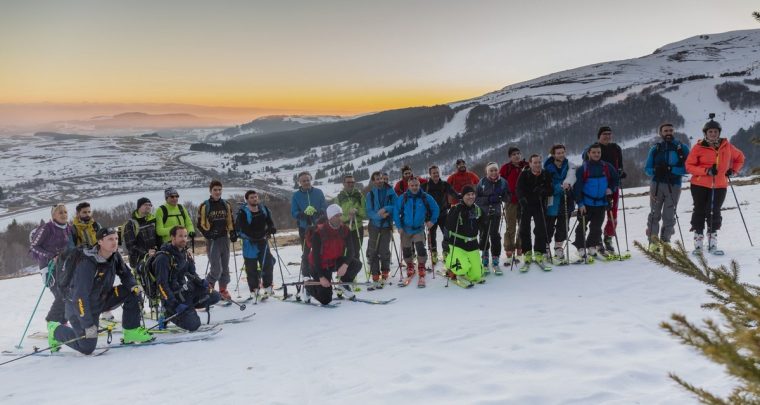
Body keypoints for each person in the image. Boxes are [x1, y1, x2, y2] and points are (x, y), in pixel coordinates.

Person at [47, 227, 153, 354]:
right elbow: (79, 297)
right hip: (79, 307)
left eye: (116, 238)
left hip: (101, 299)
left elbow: (126, 274)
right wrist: (87, 325)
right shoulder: (87, 263)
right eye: (110, 239)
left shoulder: (114, 256)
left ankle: (131, 331)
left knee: (133, 291)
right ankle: (55, 330)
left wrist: (133, 285)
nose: (114, 242)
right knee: (87, 347)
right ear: (100, 242)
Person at [685, 117, 745, 254]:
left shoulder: (727, 146)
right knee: (699, 210)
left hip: (719, 185)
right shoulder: (699, 147)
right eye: (710, 131)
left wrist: (732, 170)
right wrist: (705, 171)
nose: (713, 134)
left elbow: (740, 158)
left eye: (715, 131)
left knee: (714, 211)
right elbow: (689, 166)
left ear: (719, 132)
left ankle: (712, 242)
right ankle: (698, 241)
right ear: (705, 133)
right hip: (700, 184)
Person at [155, 226, 221, 331]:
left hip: (185, 292)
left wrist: (201, 282)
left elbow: (192, 273)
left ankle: (189, 310)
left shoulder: (185, 254)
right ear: (172, 237)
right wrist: (174, 304)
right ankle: (168, 313)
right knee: (194, 325)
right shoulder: (163, 258)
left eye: (185, 236)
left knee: (215, 296)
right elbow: (161, 285)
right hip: (173, 298)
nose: (184, 239)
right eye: (180, 236)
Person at [644, 124, 690, 252]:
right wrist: (655, 170)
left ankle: (666, 240)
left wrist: (672, 169)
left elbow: (689, 167)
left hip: (674, 184)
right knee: (654, 213)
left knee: (669, 214)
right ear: (661, 133)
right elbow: (647, 169)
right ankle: (653, 241)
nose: (668, 133)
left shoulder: (682, 148)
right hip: (656, 184)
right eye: (665, 131)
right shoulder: (655, 148)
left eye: (670, 130)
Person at [303, 204, 362, 304]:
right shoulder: (319, 232)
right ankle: (309, 287)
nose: (339, 218)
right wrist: (321, 277)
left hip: (334, 261)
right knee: (325, 299)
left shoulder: (345, 230)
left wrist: (345, 265)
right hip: (319, 266)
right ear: (330, 217)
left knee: (356, 264)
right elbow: (316, 257)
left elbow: (351, 250)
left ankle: (343, 285)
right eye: (336, 216)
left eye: (340, 215)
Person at [29, 203, 73, 327]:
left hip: (63, 266)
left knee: (68, 293)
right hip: (48, 267)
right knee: (60, 295)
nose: (64, 215)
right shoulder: (47, 228)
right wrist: (51, 256)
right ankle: (53, 322)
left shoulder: (68, 227)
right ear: (53, 215)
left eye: (65, 212)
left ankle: (63, 322)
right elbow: (33, 247)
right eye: (60, 212)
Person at [573, 143, 619, 260]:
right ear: (589, 153)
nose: (596, 154)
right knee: (582, 226)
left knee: (596, 227)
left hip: (601, 203)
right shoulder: (583, 168)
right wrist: (580, 203)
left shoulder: (607, 167)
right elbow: (577, 187)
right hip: (586, 203)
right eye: (593, 152)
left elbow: (615, 179)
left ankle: (591, 245)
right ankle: (580, 247)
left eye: (598, 152)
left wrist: (611, 188)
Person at [584, 126, 625, 254]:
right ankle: (597, 241)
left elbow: (620, 165)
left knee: (613, 215)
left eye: (609, 134)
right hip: (597, 186)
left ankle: (608, 238)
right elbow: (586, 164)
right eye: (604, 134)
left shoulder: (616, 148)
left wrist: (621, 173)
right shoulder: (593, 148)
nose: (607, 136)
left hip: (613, 186)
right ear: (599, 136)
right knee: (598, 215)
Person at [393, 177, 439, 287]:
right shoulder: (403, 198)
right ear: (408, 186)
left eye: (416, 185)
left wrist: (432, 221)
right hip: (405, 228)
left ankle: (421, 266)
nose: (414, 187)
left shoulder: (425, 197)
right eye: (412, 185)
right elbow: (396, 212)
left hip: (419, 228)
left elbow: (435, 208)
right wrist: (399, 226)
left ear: (419, 185)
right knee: (406, 249)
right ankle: (410, 265)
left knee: (420, 248)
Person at [197, 179, 237, 300]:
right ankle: (207, 291)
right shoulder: (205, 205)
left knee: (225, 267)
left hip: (224, 238)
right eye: (215, 190)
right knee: (216, 269)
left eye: (219, 190)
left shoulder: (226, 204)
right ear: (210, 191)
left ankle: (223, 290)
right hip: (212, 240)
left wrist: (233, 232)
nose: (217, 192)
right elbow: (199, 224)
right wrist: (208, 234)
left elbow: (230, 220)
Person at [236, 190, 276, 299]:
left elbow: (269, 221)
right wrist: (254, 236)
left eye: (256, 197)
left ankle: (268, 286)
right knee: (251, 268)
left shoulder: (263, 209)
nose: (254, 199)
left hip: (262, 241)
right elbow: (243, 228)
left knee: (267, 263)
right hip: (250, 243)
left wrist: (271, 228)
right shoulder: (243, 212)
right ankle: (254, 290)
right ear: (247, 199)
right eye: (252, 197)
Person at [516, 155, 553, 264]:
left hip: (539, 205)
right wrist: (522, 199)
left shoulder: (545, 174)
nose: (537, 165)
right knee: (524, 229)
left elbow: (550, 190)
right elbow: (518, 188)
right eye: (535, 163)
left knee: (541, 228)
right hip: (526, 205)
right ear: (530, 164)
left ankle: (539, 251)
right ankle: (527, 252)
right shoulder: (524, 174)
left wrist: (543, 190)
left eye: (539, 162)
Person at [445, 185, 486, 283]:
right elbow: (448, 226)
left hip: (472, 244)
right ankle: (449, 265)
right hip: (458, 244)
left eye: (473, 194)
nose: (471, 197)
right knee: (462, 268)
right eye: (468, 194)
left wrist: (489, 218)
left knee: (477, 275)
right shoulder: (456, 208)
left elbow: (484, 226)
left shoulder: (477, 209)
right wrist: (456, 213)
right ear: (462, 196)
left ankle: (467, 268)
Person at [544, 145, 576, 262]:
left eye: (562, 152)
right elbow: (547, 184)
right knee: (549, 225)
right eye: (558, 153)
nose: (561, 155)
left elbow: (572, 176)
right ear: (553, 154)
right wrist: (559, 187)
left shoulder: (569, 165)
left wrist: (568, 184)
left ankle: (558, 247)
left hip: (566, 199)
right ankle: (546, 247)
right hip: (552, 200)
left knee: (563, 226)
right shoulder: (547, 167)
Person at [365, 171, 397, 288]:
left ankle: (385, 271)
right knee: (373, 250)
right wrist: (379, 216)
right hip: (374, 225)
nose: (380, 181)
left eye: (381, 179)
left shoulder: (391, 192)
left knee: (384, 250)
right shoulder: (370, 195)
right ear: (373, 181)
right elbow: (369, 211)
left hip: (386, 225)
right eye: (377, 179)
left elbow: (396, 205)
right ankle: (375, 273)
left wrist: (385, 208)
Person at [475, 162, 510, 269]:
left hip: (496, 212)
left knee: (494, 235)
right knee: (484, 234)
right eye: (491, 170)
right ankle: (485, 256)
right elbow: (476, 198)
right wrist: (488, 199)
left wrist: (502, 197)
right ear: (487, 171)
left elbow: (508, 196)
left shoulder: (503, 182)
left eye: (495, 170)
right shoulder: (482, 182)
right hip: (483, 213)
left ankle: (495, 257)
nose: (494, 172)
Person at [422, 165, 458, 264]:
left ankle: (446, 252)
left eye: (437, 172)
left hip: (443, 214)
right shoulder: (425, 186)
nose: (436, 174)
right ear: (430, 174)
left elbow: (453, 193)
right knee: (432, 236)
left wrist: (461, 197)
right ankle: (434, 253)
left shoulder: (444, 184)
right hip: (430, 216)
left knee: (446, 234)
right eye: (434, 173)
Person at [499, 147, 529, 261]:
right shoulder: (506, 168)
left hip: (524, 200)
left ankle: (520, 246)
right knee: (511, 226)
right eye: (513, 154)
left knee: (522, 225)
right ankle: (509, 248)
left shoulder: (526, 165)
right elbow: (501, 183)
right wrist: (503, 195)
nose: (516, 156)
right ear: (510, 157)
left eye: (518, 153)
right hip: (511, 201)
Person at [334, 174, 366, 263]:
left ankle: (354, 272)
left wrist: (357, 210)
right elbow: (336, 217)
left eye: (352, 182)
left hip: (357, 227)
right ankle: (343, 271)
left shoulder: (360, 196)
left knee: (356, 251)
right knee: (343, 251)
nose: (350, 184)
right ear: (343, 183)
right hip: (343, 228)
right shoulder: (338, 198)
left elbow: (364, 213)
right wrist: (348, 217)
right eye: (348, 182)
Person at [122, 197, 160, 269]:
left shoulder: (153, 221)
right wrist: (146, 252)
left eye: (150, 205)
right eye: (145, 205)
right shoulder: (130, 224)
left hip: (156, 258)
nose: (148, 207)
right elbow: (130, 246)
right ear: (139, 207)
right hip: (139, 261)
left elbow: (158, 239)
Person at [291, 171, 327, 245]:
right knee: (306, 251)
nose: (306, 182)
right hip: (304, 226)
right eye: (304, 181)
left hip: (319, 225)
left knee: (321, 249)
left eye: (308, 180)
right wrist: (302, 214)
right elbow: (294, 212)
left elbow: (324, 206)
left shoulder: (319, 192)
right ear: (300, 182)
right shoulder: (296, 195)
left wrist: (319, 212)